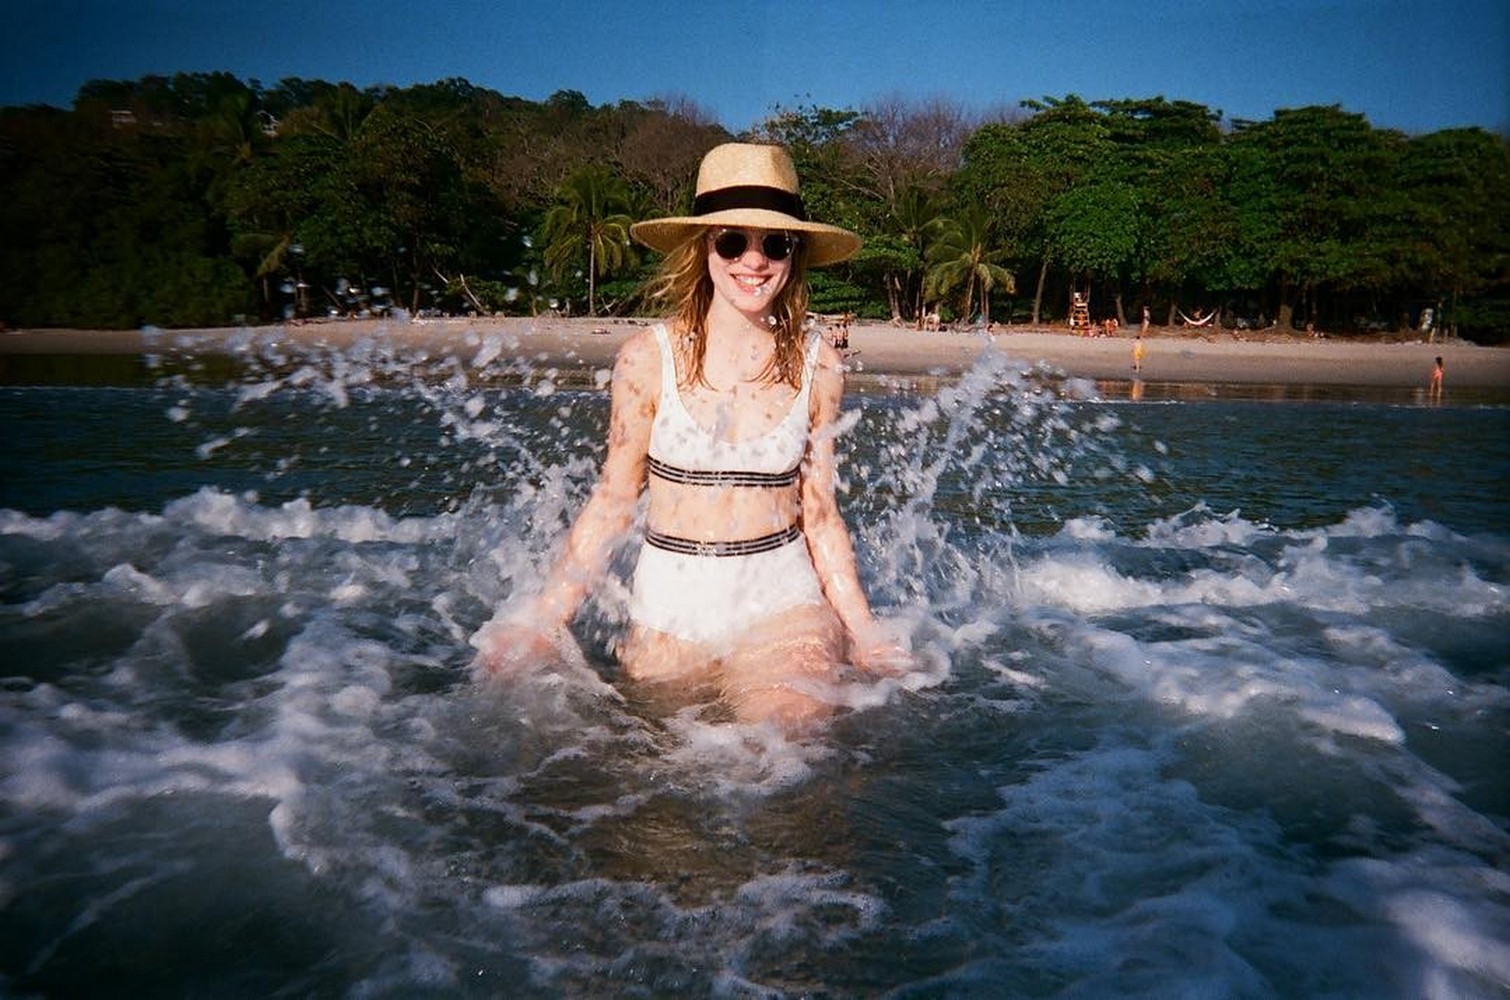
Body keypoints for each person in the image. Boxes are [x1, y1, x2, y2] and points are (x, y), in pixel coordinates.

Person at [472, 143, 907, 728]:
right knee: (665, 765)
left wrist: (865, 632)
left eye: (775, 244)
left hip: (782, 607)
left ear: (794, 254)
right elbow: (612, 503)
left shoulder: (820, 364)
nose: (753, 261)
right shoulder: (646, 360)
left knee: (789, 743)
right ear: (703, 247)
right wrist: (544, 620)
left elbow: (821, 516)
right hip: (670, 613)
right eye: (732, 241)